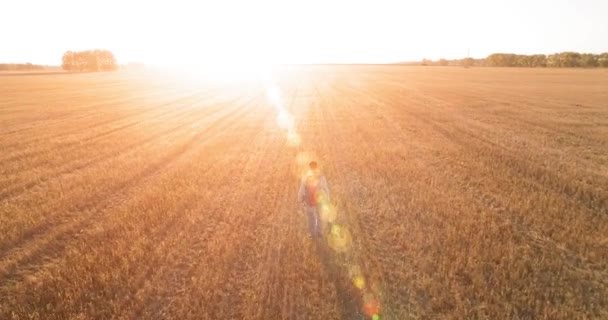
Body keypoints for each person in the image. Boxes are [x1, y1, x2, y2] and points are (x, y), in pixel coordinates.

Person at [298, 161, 330, 237]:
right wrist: (328, 198)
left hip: (309, 200)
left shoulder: (305, 177)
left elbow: (302, 189)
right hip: (319, 199)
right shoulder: (321, 177)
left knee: (310, 217)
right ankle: (319, 232)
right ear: (316, 167)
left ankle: (311, 233)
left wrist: (299, 198)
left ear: (309, 167)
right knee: (319, 216)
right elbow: (325, 188)